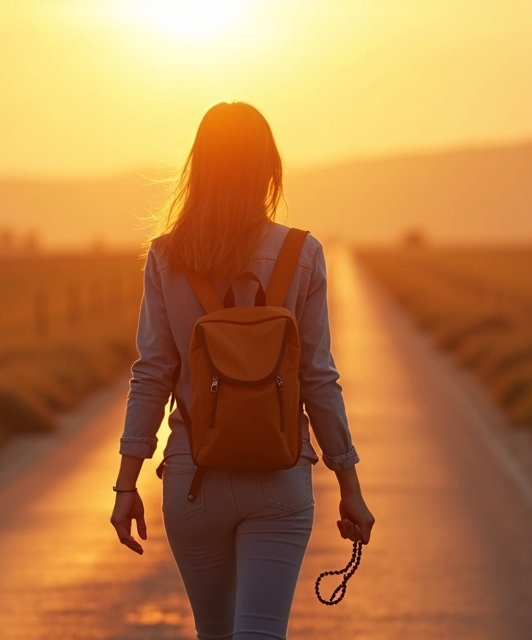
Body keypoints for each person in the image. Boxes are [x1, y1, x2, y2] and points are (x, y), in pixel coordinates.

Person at [109, 101, 374, 639]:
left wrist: (126, 482)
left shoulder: (166, 256)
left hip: (193, 478)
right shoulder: (303, 252)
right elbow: (318, 377)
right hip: (280, 475)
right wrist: (349, 483)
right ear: (269, 169)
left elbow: (153, 373)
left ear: (198, 170)